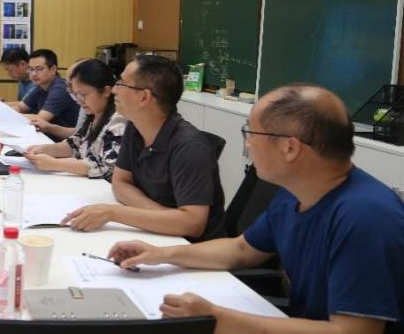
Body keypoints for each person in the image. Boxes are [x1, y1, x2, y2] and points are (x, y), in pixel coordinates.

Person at [107, 84, 404, 334]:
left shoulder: (365, 218)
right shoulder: (294, 193)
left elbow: (352, 331)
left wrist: (218, 318)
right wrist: (160, 254)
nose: (247, 145)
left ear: (290, 148)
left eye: (251, 133)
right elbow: (241, 250)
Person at [62, 55, 225, 241]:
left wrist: (112, 213)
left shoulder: (190, 147)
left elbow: (192, 225)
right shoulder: (136, 127)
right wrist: (164, 217)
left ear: (144, 97)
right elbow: (120, 183)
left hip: (189, 248)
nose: (114, 89)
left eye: (121, 84)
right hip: (155, 233)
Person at [24, 59, 127, 179]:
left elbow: (106, 166)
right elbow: (75, 144)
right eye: (76, 94)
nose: (79, 101)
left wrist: (54, 164)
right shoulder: (93, 114)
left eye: (84, 95)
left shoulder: (119, 121)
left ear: (106, 91)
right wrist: (44, 149)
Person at [13, 48, 80, 131]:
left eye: (39, 69)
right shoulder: (40, 87)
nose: (33, 74)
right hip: (45, 134)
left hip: (61, 137)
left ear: (53, 70)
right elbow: (20, 107)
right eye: (31, 69)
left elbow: (39, 119)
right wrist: (11, 113)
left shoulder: (60, 88)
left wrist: (11, 116)